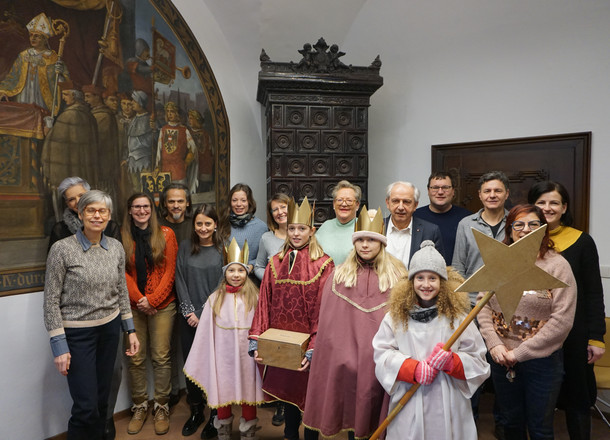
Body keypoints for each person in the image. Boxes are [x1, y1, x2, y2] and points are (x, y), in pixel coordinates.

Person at [303, 207, 408, 438]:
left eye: (371, 240)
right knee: (351, 408)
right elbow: (331, 326)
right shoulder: (339, 275)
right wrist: (342, 356)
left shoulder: (398, 276)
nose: (365, 245)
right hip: (345, 360)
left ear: (381, 243)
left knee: (376, 413)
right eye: (360, 240)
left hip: (382, 360)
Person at [43, 190, 139, 439]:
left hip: (110, 330)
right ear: (81, 213)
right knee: (85, 406)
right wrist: (59, 345)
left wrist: (130, 330)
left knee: (103, 402)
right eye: (91, 210)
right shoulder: (62, 249)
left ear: (108, 216)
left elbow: (121, 290)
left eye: (102, 211)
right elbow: (51, 300)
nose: (97, 215)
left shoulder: (116, 248)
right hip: (77, 334)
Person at [372, 241, 490, 440]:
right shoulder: (395, 317)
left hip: (449, 399)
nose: (426, 284)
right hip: (410, 396)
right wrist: (412, 368)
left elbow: (478, 360)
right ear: (411, 281)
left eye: (433, 278)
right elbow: (382, 353)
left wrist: (452, 362)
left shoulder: (458, 318)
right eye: (420, 277)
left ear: (442, 282)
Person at [477, 204, 577, 439]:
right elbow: (482, 307)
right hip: (502, 360)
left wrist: (520, 353)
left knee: (540, 428)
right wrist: (494, 343)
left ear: (543, 229)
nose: (525, 230)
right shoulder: (498, 262)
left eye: (533, 224)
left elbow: (562, 321)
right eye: (518, 225)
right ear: (510, 230)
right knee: (510, 424)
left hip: (542, 363)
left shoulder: (558, 266)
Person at [249, 197, 334, 440]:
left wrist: (314, 347)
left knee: (309, 396)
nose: (296, 233)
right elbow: (264, 302)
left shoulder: (324, 264)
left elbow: (324, 309)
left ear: (312, 230)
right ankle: (289, 434)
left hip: (309, 344)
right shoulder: (275, 263)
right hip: (281, 343)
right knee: (288, 393)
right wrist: (256, 339)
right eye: (292, 228)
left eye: (302, 228)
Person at [528, 181, 606, 439]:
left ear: (564, 207)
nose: (547, 208)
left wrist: (596, 337)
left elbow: (594, 292)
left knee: (577, 399)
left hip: (574, 334)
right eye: (541, 202)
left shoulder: (582, 241)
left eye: (553, 203)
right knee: (539, 402)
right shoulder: (522, 241)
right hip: (534, 334)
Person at [185, 238, 265, 440]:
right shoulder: (215, 299)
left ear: (246, 273)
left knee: (248, 393)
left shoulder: (255, 298)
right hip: (223, 358)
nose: (236, 275)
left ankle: (248, 431)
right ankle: (223, 429)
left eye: (240, 271)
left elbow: (263, 325)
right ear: (224, 273)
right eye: (231, 271)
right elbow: (205, 334)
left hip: (247, 358)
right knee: (223, 392)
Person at [122, 193, 178, 436]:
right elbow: (121, 273)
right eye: (136, 206)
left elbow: (169, 270)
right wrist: (140, 300)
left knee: (161, 357)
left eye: (145, 206)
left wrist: (153, 300)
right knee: (135, 357)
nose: (141, 210)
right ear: (130, 210)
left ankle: (162, 406)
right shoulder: (120, 237)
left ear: (152, 209)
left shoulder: (166, 234)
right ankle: (140, 406)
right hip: (133, 307)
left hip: (163, 305)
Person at [175, 204, 224, 437]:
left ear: (215, 225)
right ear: (193, 225)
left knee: (213, 365)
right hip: (188, 318)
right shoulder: (185, 247)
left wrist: (204, 312)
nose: (203, 228)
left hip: (215, 317)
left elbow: (224, 282)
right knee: (191, 365)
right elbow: (180, 280)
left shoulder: (223, 248)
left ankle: (215, 415)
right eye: (199, 224)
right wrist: (189, 312)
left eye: (208, 223)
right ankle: (196, 411)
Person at [452, 171, 510, 305]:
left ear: (506, 194)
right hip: (472, 301)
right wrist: (461, 300)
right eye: (487, 191)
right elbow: (458, 266)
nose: (492, 195)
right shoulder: (466, 224)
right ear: (480, 195)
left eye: (498, 191)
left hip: (506, 300)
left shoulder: (516, 223)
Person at [0, 12, 69, 112]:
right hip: (23, 96)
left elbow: (67, 85)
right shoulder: (24, 56)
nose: (33, 38)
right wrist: (3, 90)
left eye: (37, 36)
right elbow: (12, 78)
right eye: (31, 35)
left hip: (43, 100)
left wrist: (61, 75)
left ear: (45, 40)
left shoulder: (53, 58)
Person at [41, 80, 98, 190]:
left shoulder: (67, 116)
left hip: (70, 170)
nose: (63, 97)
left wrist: (48, 131)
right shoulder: (89, 115)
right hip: (84, 171)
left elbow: (56, 145)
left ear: (75, 96)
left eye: (66, 94)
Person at [48, 177, 121, 251]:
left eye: (81, 195)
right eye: (71, 199)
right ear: (67, 204)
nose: (78, 201)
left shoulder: (110, 226)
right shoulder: (59, 229)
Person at [384, 181, 444, 268]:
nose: (400, 207)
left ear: (415, 205)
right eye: (396, 201)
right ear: (387, 203)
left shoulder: (430, 231)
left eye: (406, 202)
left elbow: (438, 269)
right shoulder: (376, 228)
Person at [414, 171, 471, 263]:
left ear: (453, 191)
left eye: (445, 187)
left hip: (456, 275)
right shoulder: (415, 217)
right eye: (435, 188)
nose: (440, 192)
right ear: (428, 191)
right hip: (423, 275)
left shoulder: (467, 218)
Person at [220, 183, 268, 272]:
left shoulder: (261, 227)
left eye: (243, 200)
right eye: (234, 200)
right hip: (227, 278)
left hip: (252, 279)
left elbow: (265, 257)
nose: (238, 204)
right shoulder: (223, 223)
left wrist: (251, 266)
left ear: (249, 202)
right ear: (230, 203)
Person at [315, 180, 361, 264]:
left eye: (349, 200)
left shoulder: (363, 227)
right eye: (339, 200)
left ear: (357, 205)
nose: (344, 204)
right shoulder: (325, 227)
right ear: (333, 204)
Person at [156, 101, 198, 193]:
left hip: (179, 170)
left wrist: (186, 163)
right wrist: (157, 167)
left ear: (177, 114)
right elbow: (159, 151)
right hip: (165, 170)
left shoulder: (184, 130)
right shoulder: (163, 130)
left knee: (181, 194)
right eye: (168, 111)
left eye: (172, 111)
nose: (169, 114)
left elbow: (193, 150)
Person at [123, 90, 155, 192]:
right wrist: (128, 158)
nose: (132, 103)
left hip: (145, 160)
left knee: (146, 188)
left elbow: (152, 141)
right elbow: (130, 141)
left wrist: (155, 130)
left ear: (141, 103)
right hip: (132, 160)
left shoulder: (149, 120)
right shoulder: (134, 119)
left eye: (134, 101)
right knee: (135, 189)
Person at [254, 193, 290, 281]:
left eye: (283, 207)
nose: (280, 212)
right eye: (275, 210)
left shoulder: (304, 236)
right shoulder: (266, 238)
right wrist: (271, 279)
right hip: (275, 291)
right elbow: (258, 267)